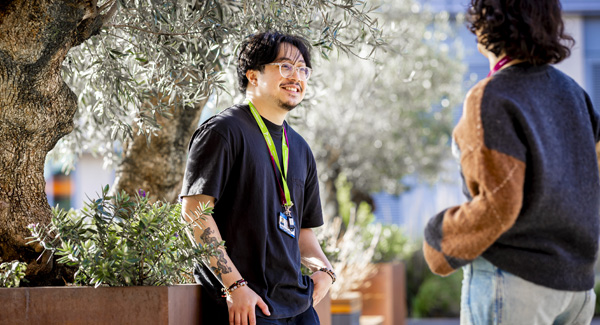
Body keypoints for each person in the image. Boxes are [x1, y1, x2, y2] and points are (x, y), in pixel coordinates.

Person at [423, 0, 599, 324]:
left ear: (487, 24)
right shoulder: (575, 94)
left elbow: (499, 203)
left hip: (513, 280)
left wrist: (439, 238)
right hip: (577, 288)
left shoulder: (491, 96)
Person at [180, 31, 335, 325]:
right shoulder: (222, 131)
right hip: (248, 306)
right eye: (285, 66)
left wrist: (325, 271)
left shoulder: (300, 148)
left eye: (303, 69)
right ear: (253, 76)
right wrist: (235, 287)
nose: (297, 77)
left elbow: (303, 232)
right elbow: (194, 215)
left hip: (298, 306)